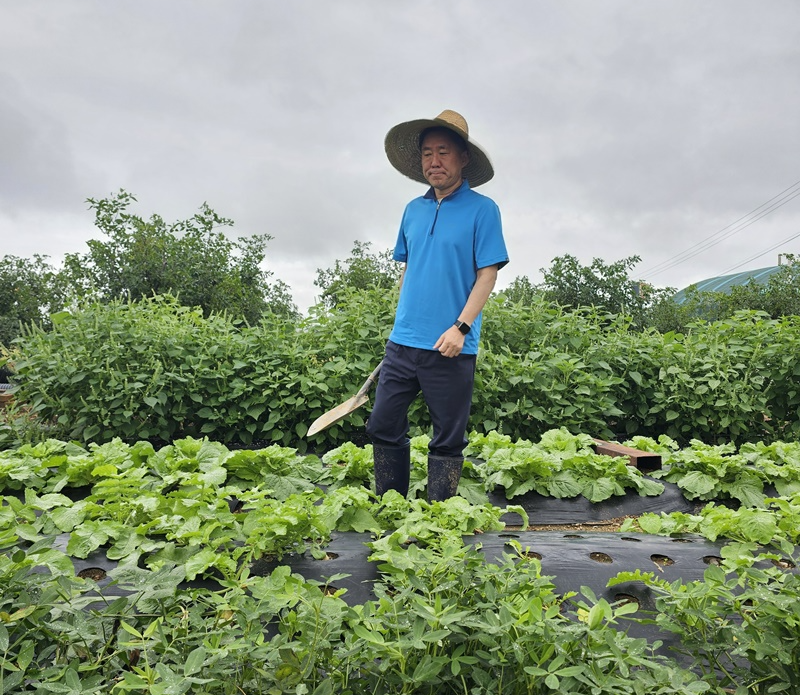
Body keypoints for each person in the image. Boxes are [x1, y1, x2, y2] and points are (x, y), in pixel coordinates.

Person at [366, 109, 509, 501]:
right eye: (427, 153)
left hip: (451, 345)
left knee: (447, 437)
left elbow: (488, 275)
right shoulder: (413, 210)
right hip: (403, 343)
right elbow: (409, 268)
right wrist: (402, 320)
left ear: (463, 158)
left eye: (443, 152)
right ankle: (392, 507)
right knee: (383, 424)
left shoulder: (483, 210)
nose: (434, 161)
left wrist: (460, 328)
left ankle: (438, 517)